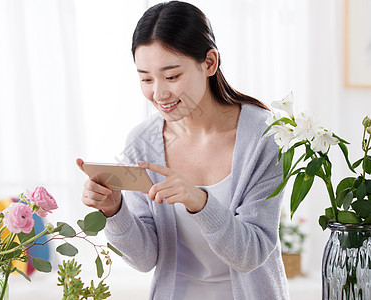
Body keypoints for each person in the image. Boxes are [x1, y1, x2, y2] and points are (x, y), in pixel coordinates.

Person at [76, 1, 289, 299]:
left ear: (210, 63)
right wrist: (114, 210)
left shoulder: (263, 137)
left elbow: (250, 254)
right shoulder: (142, 142)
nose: (159, 93)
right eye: (146, 79)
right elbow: (144, 259)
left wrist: (200, 202)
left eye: (172, 76)